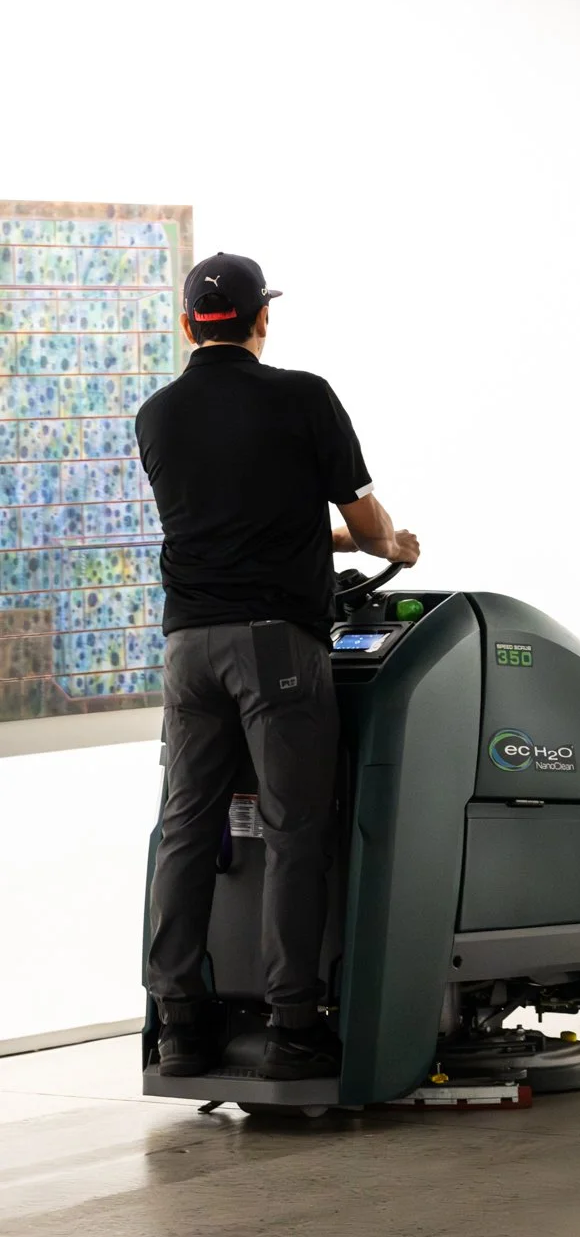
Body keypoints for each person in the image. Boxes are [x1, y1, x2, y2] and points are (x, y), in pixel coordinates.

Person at [135, 251, 420, 1080]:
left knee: (188, 829)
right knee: (296, 830)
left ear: (191, 324)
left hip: (187, 645)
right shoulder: (303, 396)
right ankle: (295, 1026)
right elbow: (364, 527)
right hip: (275, 648)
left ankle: (182, 1024)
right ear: (263, 319)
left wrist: (328, 540)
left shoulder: (158, 415)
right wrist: (390, 544)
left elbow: (237, 523)